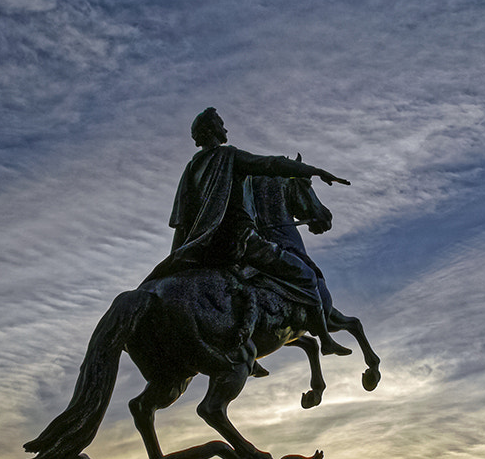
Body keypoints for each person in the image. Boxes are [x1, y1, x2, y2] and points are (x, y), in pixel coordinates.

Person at [144, 107, 351, 356]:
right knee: (306, 275)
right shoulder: (227, 156)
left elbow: (183, 216)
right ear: (211, 130)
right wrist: (313, 171)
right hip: (239, 242)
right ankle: (325, 340)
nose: (226, 128)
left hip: (204, 248)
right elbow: (270, 165)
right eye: (221, 124)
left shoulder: (191, 168)